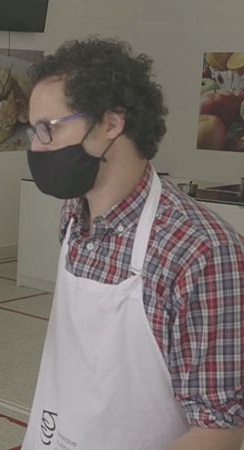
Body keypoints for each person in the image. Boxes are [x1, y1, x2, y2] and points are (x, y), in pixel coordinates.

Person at [20, 38, 244, 449]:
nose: (36, 147)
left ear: (110, 124)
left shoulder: (200, 251)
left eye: (48, 129)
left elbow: (221, 431)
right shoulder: (73, 214)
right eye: (32, 131)